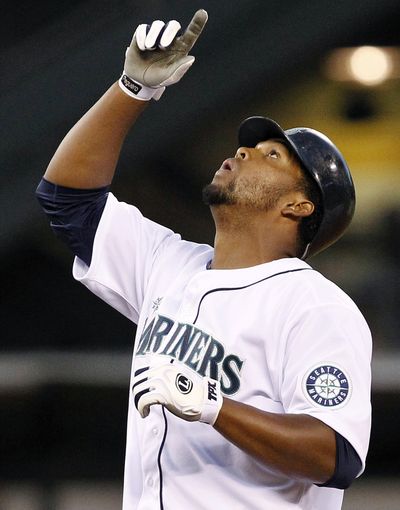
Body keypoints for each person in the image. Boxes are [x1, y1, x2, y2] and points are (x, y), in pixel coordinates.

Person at [36, 9, 372, 510]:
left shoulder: (316, 306)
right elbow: (67, 199)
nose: (244, 151)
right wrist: (133, 89)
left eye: (271, 155)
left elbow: (336, 455)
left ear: (299, 207)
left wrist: (213, 405)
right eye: (248, 146)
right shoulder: (168, 265)